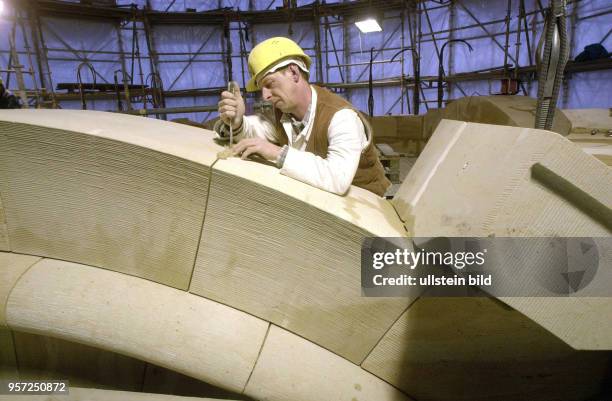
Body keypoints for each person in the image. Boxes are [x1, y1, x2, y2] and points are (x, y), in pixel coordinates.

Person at [215, 37, 390, 197]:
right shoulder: (283, 113)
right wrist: (237, 122)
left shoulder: (341, 117)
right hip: (324, 204)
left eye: (269, 84)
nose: (265, 96)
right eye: (262, 88)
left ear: (294, 73)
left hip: (366, 211)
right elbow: (257, 129)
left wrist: (277, 153)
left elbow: (338, 179)